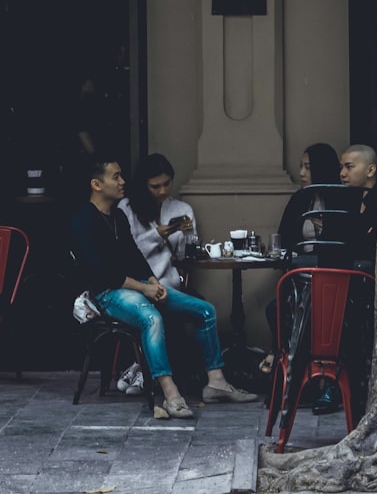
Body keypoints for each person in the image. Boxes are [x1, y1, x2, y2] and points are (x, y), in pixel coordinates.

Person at [70, 157, 257, 418]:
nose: (122, 181)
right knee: (152, 318)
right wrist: (144, 288)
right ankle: (171, 395)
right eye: (116, 177)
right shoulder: (83, 221)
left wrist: (153, 281)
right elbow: (103, 273)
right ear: (96, 185)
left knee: (204, 310)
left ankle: (216, 383)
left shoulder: (118, 216)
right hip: (107, 294)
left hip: (136, 286)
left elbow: (133, 255)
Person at [115, 153, 197, 394]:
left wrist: (187, 235)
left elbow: (184, 258)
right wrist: (157, 234)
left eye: (167, 184)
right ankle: (144, 369)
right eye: (155, 186)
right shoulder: (126, 208)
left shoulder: (181, 208)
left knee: (199, 308)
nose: (162, 190)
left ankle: (159, 372)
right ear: (143, 184)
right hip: (136, 284)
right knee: (153, 312)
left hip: (168, 282)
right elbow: (127, 253)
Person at [261, 143, 341, 374]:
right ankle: (290, 367)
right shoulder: (300, 200)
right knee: (275, 308)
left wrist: (325, 229)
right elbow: (284, 238)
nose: (302, 173)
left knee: (312, 315)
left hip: (330, 280)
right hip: (299, 278)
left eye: (308, 167)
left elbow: (344, 244)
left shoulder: (339, 200)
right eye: (301, 167)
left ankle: (299, 368)